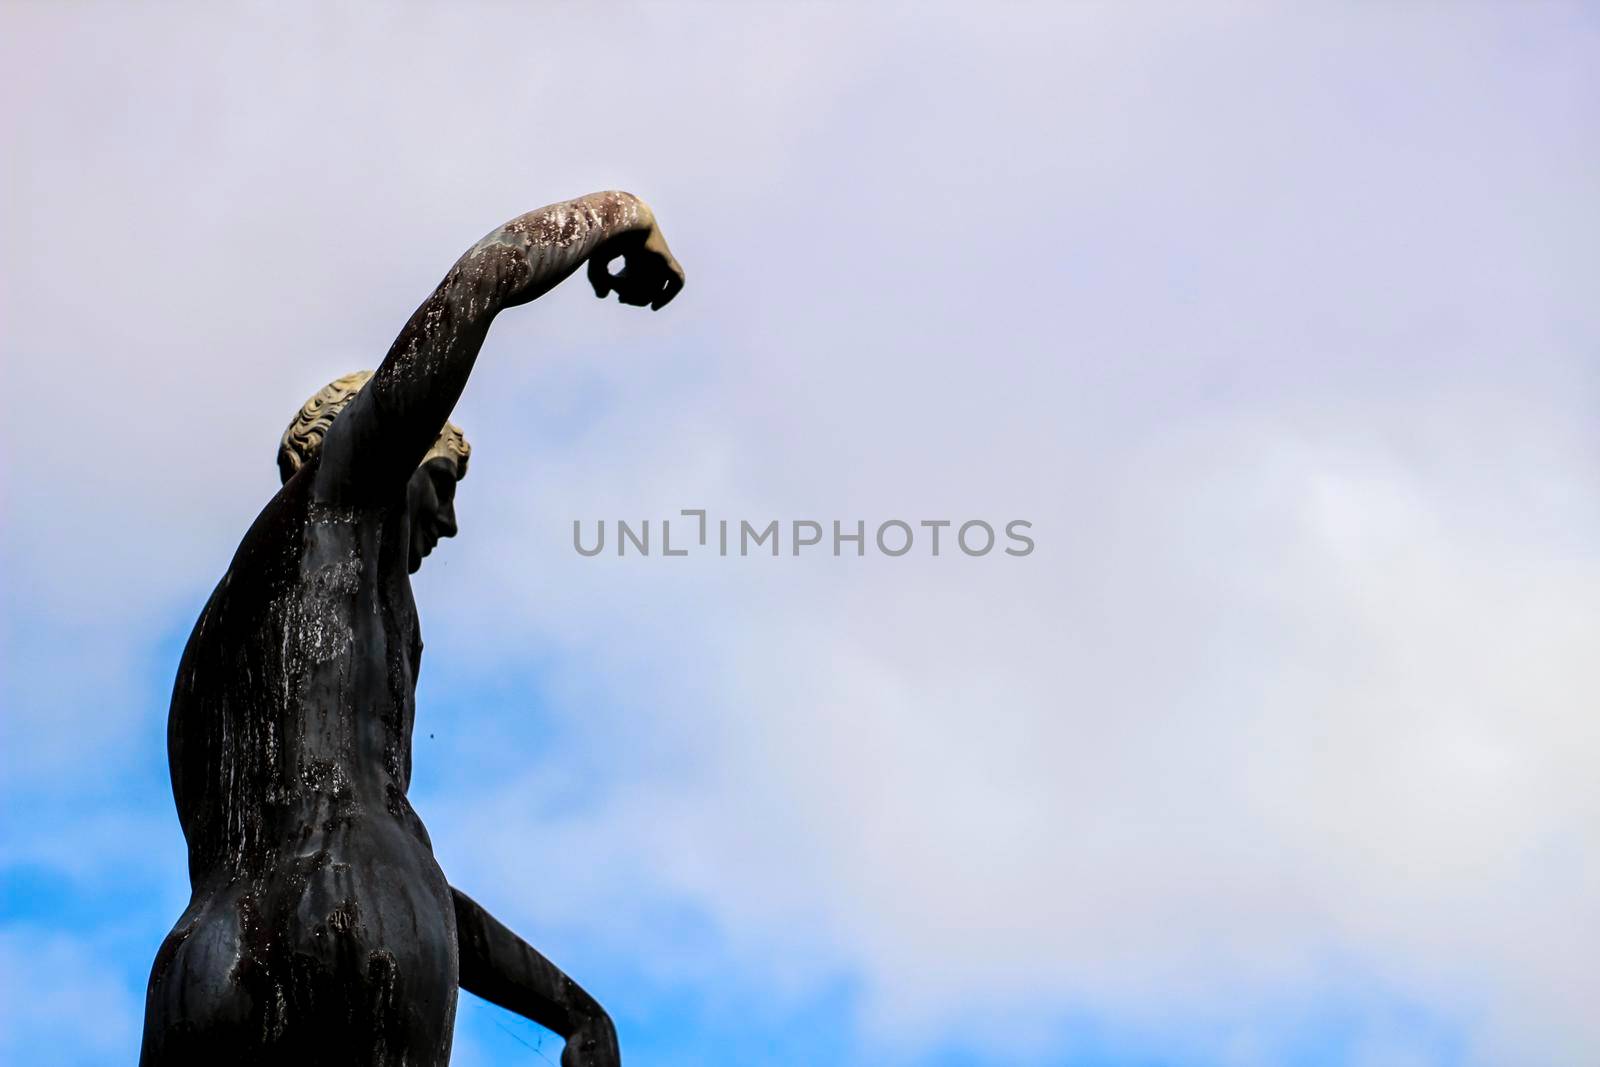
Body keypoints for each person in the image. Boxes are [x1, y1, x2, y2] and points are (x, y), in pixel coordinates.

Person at [138, 191, 684, 1067]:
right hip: (362, 927)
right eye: (446, 485)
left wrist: (570, 1006)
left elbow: (390, 848)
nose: (451, 522)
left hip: (201, 958)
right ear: (401, 452)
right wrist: (621, 216)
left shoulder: (222, 641)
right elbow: (475, 288)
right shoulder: (341, 500)